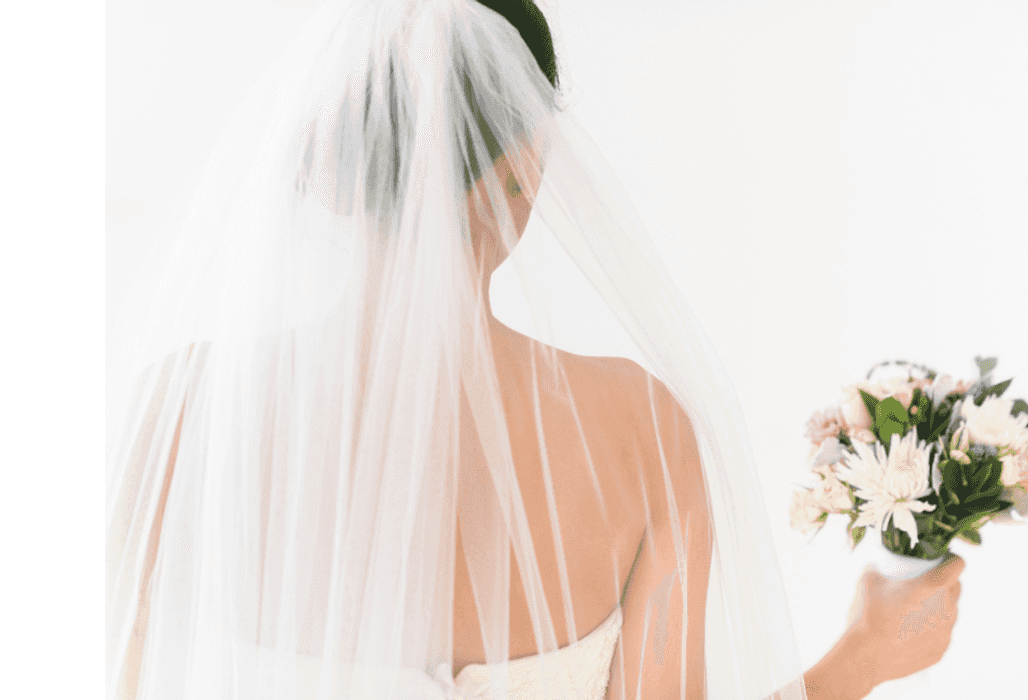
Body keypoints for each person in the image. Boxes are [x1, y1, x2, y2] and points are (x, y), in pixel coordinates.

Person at [105, 1, 964, 699]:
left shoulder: (179, 411)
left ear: (336, 159)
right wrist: (864, 655)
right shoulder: (641, 431)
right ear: (528, 163)